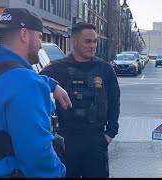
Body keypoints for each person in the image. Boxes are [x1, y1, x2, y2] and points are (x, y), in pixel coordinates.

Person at [0, 8, 72, 177]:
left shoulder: (4, 73)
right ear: (24, 35)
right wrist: (59, 173)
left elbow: (7, 78)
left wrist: (51, 84)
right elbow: (37, 155)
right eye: (40, 37)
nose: (41, 45)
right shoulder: (26, 83)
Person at [40, 22, 121, 178]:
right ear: (74, 41)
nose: (93, 45)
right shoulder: (56, 69)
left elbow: (114, 101)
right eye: (88, 41)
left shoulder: (104, 69)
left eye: (95, 41)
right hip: (66, 141)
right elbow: (33, 86)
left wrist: (110, 133)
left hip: (96, 141)